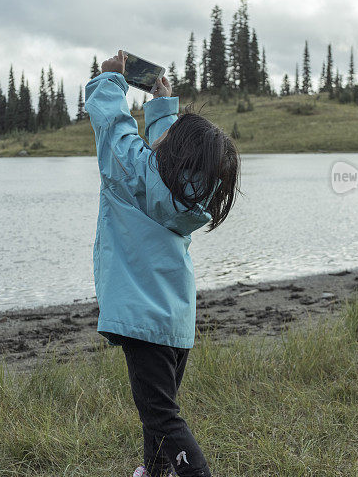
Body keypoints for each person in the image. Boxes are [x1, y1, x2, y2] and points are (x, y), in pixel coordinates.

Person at [85, 50, 241, 477]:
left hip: (140, 316)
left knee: (161, 417)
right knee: (158, 413)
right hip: (176, 320)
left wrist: (112, 81)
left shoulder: (134, 172)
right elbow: (167, 154)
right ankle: (154, 473)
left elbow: (114, 127)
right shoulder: (191, 194)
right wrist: (160, 106)